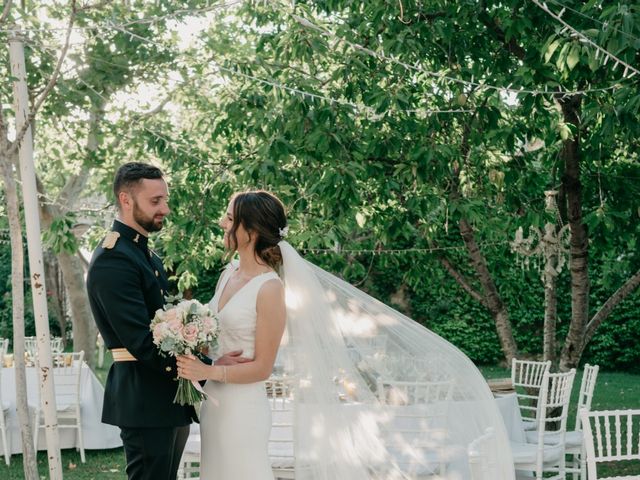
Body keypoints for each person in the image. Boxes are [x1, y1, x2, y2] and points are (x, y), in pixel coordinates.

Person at [86, 163, 244, 480]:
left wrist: (206, 360)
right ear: (126, 200)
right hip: (143, 398)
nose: (165, 208)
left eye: (165, 199)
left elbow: (165, 329)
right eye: (156, 201)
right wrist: (204, 368)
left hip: (166, 397)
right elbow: (142, 342)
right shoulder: (115, 258)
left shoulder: (146, 254)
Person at [176, 190, 287, 480]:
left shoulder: (269, 288)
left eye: (229, 218)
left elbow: (263, 368)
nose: (222, 223)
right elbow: (215, 337)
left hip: (243, 410)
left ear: (250, 231)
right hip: (215, 405)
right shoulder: (229, 273)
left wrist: (207, 370)